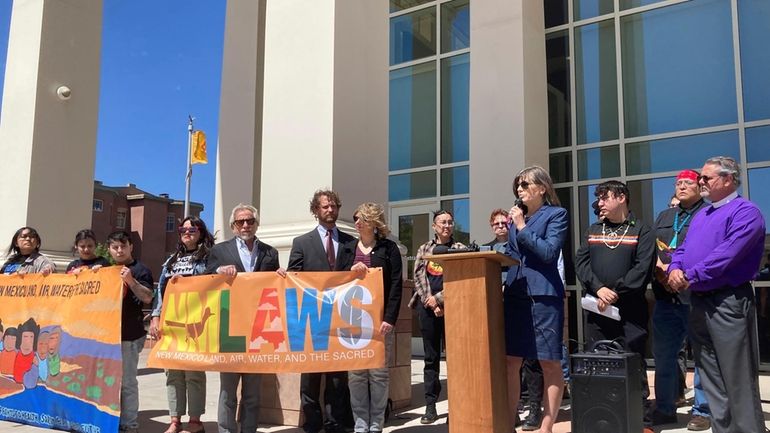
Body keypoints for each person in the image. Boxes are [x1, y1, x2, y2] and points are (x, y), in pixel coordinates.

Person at [668, 156, 766, 433]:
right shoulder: (703, 215)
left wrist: (690, 275)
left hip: (728, 301)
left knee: (737, 377)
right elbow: (684, 249)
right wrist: (675, 267)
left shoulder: (745, 212)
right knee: (710, 376)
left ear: (728, 179)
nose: (701, 182)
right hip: (699, 301)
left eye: (706, 178)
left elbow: (727, 254)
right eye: (701, 178)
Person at [574, 180, 656, 433]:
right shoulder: (593, 229)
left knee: (634, 361)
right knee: (598, 361)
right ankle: (601, 416)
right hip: (598, 310)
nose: (599, 203)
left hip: (630, 311)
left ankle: (641, 419)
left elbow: (642, 269)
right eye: (598, 198)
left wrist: (615, 292)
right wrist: (598, 288)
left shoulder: (642, 230)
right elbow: (581, 263)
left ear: (621, 198)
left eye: (604, 197)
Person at [503, 166, 568, 433]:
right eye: (518, 185)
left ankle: (546, 425)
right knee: (511, 360)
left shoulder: (556, 215)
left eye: (525, 184)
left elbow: (549, 253)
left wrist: (521, 226)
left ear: (542, 188)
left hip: (543, 296)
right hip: (516, 294)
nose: (519, 189)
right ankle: (508, 422)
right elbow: (510, 254)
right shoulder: (514, 220)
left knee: (549, 361)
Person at [206, 204, 280, 433]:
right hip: (231, 328)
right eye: (241, 222)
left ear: (256, 224)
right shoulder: (219, 251)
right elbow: (205, 278)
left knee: (252, 392)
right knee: (228, 391)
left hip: (258, 329)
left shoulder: (270, 252)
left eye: (250, 221)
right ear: (233, 226)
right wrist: (218, 272)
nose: (246, 225)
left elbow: (273, 286)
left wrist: (280, 276)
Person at [288, 190, 356, 433]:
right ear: (315, 210)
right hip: (311, 318)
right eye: (325, 206)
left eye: (334, 206)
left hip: (340, 317)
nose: (330, 210)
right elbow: (292, 278)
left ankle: (335, 423)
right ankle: (313, 423)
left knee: (338, 377)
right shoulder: (301, 243)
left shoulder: (351, 242)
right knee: (311, 377)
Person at [650, 170, 711, 431]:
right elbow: (653, 246)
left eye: (687, 182)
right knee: (664, 355)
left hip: (696, 294)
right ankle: (664, 408)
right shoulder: (665, 216)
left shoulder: (709, 213)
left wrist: (684, 276)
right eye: (678, 183)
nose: (682, 186)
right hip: (665, 296)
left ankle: (702, 410)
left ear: (700, 186)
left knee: (702, 356)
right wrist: (659, 272)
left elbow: (709, 249)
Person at [150, 216, 215, 433]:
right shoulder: (171, 261)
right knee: (173, 373)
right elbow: (160, 290)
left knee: (194, 371)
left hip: (196, 321)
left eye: (192, 229)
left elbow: (213, 285)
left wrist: (188, 282)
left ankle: (195, 420)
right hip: (172, 322)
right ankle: (175, 419)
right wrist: (155, 316)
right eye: (183, 229)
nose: (187, 232)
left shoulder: (210, 258)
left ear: (201, 232)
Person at [347, 202, 403, 433]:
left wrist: (389, 318)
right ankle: (360, 424)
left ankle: (376, 423)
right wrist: (350, 271)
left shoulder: (389, 249)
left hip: (380, 322)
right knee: (356, 375)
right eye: (355, 219)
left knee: (379, 374)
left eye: (361, 219)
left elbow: (396, 285)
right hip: (352, 322)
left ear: (373, 222)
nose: (357, 223)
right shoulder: (348, 249)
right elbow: (336, 280)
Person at [412, 209, 465, 424]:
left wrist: (440, 299)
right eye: (442, 222)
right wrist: (430, 300)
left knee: (455, 359)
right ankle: (430, 406)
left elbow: (461, 276)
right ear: (434, 226)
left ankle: (457, 405)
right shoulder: (425, 248)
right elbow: (417, 275)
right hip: (427, 309)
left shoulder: (460, 248)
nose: (446, 225)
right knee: (430, 359)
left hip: (453, 308)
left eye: (450, 222)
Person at [107, 230, 155, 433]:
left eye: (123, 246)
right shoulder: (106, 270)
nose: (119, 250)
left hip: (130, 334)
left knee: (127, 382)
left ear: (131, 247)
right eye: (115, 247)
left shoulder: (140, 269)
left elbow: (148, 298)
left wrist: (131, 281)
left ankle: (130, 424)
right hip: (107, 335)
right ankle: (111, 419)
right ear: (109, 249)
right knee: (108, 381)